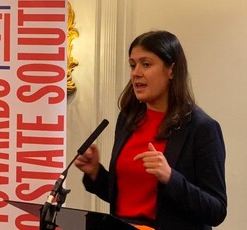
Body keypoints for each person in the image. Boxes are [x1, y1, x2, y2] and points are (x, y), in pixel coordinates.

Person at [74, 30, 227, 230]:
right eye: (132, 65)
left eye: (146, 64)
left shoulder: (202, 128)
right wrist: (96, 173)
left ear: (171, 69)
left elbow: (216, 210)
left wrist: (170, 177)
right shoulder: (128, 119)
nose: (136, 73)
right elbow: (126, 197)